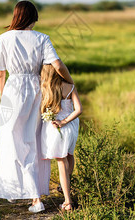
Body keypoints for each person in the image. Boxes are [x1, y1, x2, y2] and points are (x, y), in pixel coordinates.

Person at [0, 0, 74, 213]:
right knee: (34, 143)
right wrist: (70, 81)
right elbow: (57, 64)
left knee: (11, 141)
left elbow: (0, 73)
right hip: (37, 90)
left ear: (15, 16)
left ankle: (17, 190)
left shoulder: (2, 39)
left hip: (13, 90)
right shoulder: (42, 38)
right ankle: (34, 196)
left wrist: (4, 98)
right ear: (32, 17)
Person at [40, 64, 82, 212]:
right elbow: (79, 110)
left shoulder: (46, 89)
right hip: (71, 127)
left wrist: (60, 122)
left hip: (58, 128)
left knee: (61, 160)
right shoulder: (70, 86)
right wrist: (66, 121)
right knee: (69, 155)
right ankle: (66, 185)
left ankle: (67, 202)